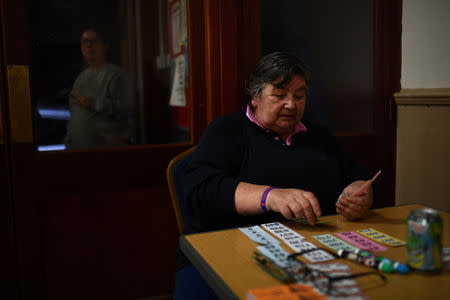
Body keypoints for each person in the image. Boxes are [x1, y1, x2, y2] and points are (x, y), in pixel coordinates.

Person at [174, 52, 374, 299]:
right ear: (255, 97)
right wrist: (270, 196)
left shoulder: (319, 136)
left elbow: (357, 177)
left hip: (310, 253)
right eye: (279, 96)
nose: (291, 104)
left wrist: (359, 193)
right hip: (230, 254)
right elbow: (199, 191)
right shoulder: (225, 131)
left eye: (299, 96)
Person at [64, 27, 134, 149]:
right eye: (85, 42)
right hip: (78, 151)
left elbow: (126, 109)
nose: (89, 45)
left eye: (94, 41)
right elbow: (73, 116)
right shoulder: (80, 79)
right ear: (81, 48)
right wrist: (68, 142)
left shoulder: (117, 75)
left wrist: (94, 103)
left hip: (106, 153)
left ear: (105, 46)